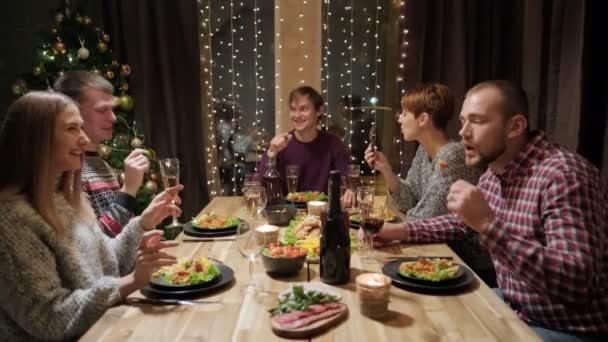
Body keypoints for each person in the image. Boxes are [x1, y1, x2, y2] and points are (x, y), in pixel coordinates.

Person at [376, 80, 608, 340]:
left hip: (564, 327)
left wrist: (488, 225)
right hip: (512, 304)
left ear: (515, 127)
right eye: (463, 121)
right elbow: (459, 223)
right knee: (422, 322)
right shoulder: (493, 173)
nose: (463, 132)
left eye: (477, 121)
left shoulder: (565, 175)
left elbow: (577, 284)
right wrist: (398, 230)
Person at [0, 91, 182, 340]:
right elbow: (49, 318)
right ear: (36, 139)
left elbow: (108, 264)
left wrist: (144, 222)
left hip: (108, 329)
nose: (85, 140)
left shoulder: (64, 200)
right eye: (72, 129)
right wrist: (130, 282)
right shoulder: (10, 220)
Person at [357, 83, 494, 285]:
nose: (399, 119)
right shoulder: (423, 152)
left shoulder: (452, 154)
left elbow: (428, 216)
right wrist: (386, 169)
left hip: (465, 265)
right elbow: (408, 200)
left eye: (404, 113)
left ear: (423, 119)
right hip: (437, 252)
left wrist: (390, 228)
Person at [55, 70, 150, 237]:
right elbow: (94, 246)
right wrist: (128, 189)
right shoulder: (66, 171)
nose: (113, 118)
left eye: (112, 109)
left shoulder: (99, 162)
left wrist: (149, 218)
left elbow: (120, 237)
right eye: (102, 110)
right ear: (73, 112)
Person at [258, 86, 350, 194]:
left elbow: (348, 180)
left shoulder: (334, 144)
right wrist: (271, 154)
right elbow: (261, 185)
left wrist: (350, 190)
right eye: (293, 109)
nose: (297, 115)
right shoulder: (280, 144)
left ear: (319, 110)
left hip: (323, 209)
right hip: (287, 209)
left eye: (303, 109)